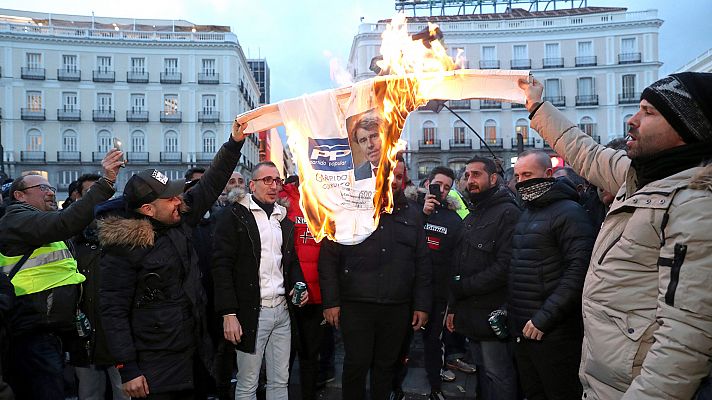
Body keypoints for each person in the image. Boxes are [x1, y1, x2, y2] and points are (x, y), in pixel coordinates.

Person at [519, 72, 712, 399]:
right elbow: (587, 153)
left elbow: (684, 340)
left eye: (649, 112)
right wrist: (538, 106)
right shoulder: (641, 176)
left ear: (687, 127)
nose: (633, 121)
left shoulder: (696, 204)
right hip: (604, 379)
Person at [97, 122, 247, 399]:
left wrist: (234, 143)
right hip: (154, 366)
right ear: (148, 209)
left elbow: (211, 183)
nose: (179, 200)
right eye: (171, 198)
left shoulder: (180, 219)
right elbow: (113, 312)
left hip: (194, 353)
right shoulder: (123, 248)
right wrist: (128, 368)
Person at [0, 152, 122, 400]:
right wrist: (106, 182)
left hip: (50, 328)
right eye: (42, 186)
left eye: (50, 186)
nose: (50, 191)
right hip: (30, 329)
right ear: (19, 195)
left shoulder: (41, 220)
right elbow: (67, 221)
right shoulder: (17, 219)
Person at [319, 157, 432, 400]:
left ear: (404, 180)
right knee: (356, 365)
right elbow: (328, 259)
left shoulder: (413, 214)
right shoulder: (348, 208)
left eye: (398, 177)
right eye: (388, 175)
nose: (392, 181)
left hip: (397, 306)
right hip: (356, 305)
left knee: (386, 367)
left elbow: (422, 262)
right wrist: (331, 302)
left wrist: (422, 305)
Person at [212, 161, 306, 400]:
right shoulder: (233, 216)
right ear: (252, 185)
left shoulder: (283, 219)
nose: (274, 186)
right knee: (247, 384)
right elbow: (221, 266)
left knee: (280, 382)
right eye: (267, 180)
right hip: (252, 312)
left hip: (282, 312)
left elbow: (289, 262)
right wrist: (228, 313)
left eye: (277, 180)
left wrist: (298, 286)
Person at [508, 150, 595, 400]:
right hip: (524, 328)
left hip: (554, 332)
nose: (522, 181)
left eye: (528, 174)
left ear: (548, 174)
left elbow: (579, 270)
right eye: (517, 176)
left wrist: (545, 317)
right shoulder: (526, 212)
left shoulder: (569, 212)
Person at [445, 157, 520, 400]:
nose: (470, 181)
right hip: (471, 314)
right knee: (483, 374)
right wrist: (455, 306)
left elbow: (504, 266)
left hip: (493, 314)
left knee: (499, 375)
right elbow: (460, 262)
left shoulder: (507, 212)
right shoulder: (474, 213)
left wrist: (464, 288)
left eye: (476, 174)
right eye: (467, 176)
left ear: (493, 178)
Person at [394, 166, 462, 400]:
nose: (441, 190)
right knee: (400, 342)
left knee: (434, 343)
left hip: (438, 293)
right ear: (426, 184)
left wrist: (452, 301)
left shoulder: (454, 219)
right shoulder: (409, 210)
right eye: (438, 185)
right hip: (407, 290)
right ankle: (395, 387)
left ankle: (435, 387)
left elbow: (456, 260)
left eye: (447, 188)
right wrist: (422, 215)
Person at [70, 173, 128, 400]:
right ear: (78, 198)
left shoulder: (123, 240)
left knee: (124, 393)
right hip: (83, 336)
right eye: (90, 194)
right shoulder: (69, 241)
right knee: (89, 393)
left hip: (118, 337)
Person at [278, 176, 328, 400]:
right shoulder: (283, 200)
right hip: (287, 294)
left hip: (316, 296)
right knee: (282, 356)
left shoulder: (327, 201)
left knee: (310, 355)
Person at [351, 111, 383, 181]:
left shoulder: (402, 169)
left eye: (374, 136)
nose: (370, 145)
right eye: (363, 140)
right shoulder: (355, 176)